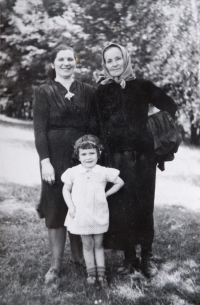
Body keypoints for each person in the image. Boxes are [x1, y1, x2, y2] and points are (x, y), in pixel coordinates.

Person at [91, 43, 177, 277]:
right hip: (114, 159)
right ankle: (129, 258)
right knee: (121, 207)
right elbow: (96, 124)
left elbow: (170, 105)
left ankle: (147, 258)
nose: (115, 64)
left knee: (143, 205)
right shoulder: (101, 92)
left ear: (126, 59)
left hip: (143, 157)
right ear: (104, 65)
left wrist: (154, 129)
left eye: (118, 58)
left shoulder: (142, 86)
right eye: (109, 60)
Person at [33, 45, 95, 284]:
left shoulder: (88, 91)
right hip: (55, 159)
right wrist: (45, 161)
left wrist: (91, 160)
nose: (66, 63)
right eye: (61, 59)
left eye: (70, 59)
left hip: (82, 158)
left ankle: (80, 260)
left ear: (76, 62)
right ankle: (55, 266)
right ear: (54, 63)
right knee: (56, 207)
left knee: (80, 205)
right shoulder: (44, 91)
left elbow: (94, 127)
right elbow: (40, 129)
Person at [61, 134, 124, 286]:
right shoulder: (73, 172)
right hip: (82, 215)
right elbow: (65, 190)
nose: (88, 157)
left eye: (91, 153)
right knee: (87, 244)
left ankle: (101, 276)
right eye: (84, 154)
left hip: (98, 213)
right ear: (78, 156)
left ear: (98, 154)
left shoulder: (102, 171)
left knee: (99, 244)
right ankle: (91, 275)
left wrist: (106, 194)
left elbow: (119, 182)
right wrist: (71, 206)